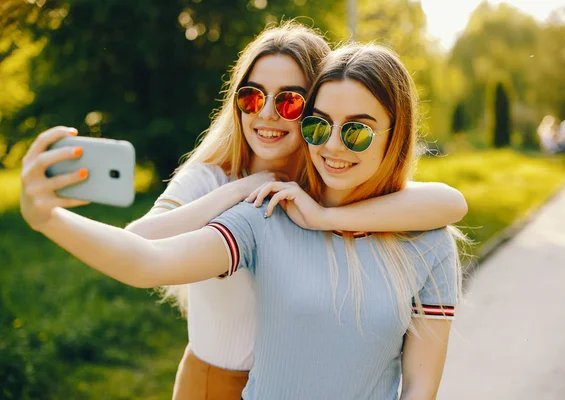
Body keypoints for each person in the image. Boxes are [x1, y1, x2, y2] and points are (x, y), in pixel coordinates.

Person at [20, 37, 467, 400]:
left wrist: (320, 218)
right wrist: (48, 219)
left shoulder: (411, 231)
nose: (331, 146)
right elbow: (145, 255)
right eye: (252, 96)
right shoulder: (258, 208)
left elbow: (450, 204)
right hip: (214, 378)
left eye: (291, 104)